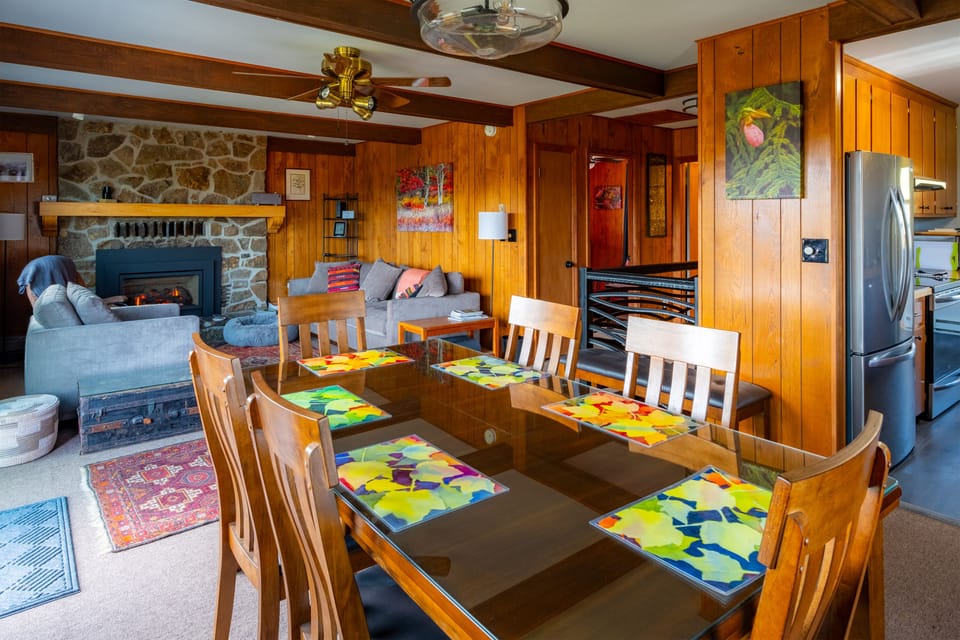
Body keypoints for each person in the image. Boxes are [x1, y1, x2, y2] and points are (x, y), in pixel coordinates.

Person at [17, 255, 125, 306]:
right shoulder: (74, 303)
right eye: (74, 272)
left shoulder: (52, 303)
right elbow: (87, 302)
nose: (78, 275)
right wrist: (110, 301)